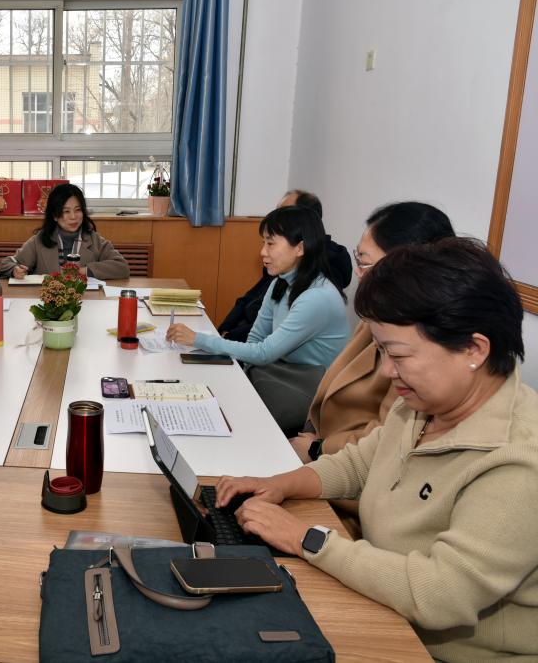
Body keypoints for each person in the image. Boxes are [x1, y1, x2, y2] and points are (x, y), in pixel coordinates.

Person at [215, 238, 536, 662]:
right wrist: (279, 484)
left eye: (398, 354)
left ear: (474, 350)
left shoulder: (518, 461)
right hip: (383, 605)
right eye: (382, 351)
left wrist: (304, 537)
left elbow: (440, 594)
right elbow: (358, 465)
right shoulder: (423, 404)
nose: (387, 371)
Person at [292, 201, 455, 464]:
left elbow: (387, 436)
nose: (358, 273)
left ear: (406, 267)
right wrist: (310, 434)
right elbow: (332, 384)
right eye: (357, 259)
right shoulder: (376, 314)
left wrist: (317, 449)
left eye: (365, 263)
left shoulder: (425, 343)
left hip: (350, 465)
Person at [168, 206, 350, 433]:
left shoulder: (317, 297)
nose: (263, 252)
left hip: (310, 395)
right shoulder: (281, 283)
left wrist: (198, 339)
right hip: (282, 377)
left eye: (270, 243)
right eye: (263, 243)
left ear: (300, 248)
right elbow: (255, 338)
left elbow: (264, 353)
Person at [218, 190, 352, 342]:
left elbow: (272, 338)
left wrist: (228, 339)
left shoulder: (322, 273)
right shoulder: (281, 268)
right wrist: (224, 329)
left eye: (284, 213)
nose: (263, 252)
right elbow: (249, 301)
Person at [0, 183, 129, 280]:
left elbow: (122, 267)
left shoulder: (94, 240)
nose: (73, 216)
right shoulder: (40, 240)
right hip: (48, 302)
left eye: (78, 210)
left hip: (85, 301)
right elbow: (6, 263)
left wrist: (85, 271)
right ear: (55, 215)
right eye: (66, 211)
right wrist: (15, 270)